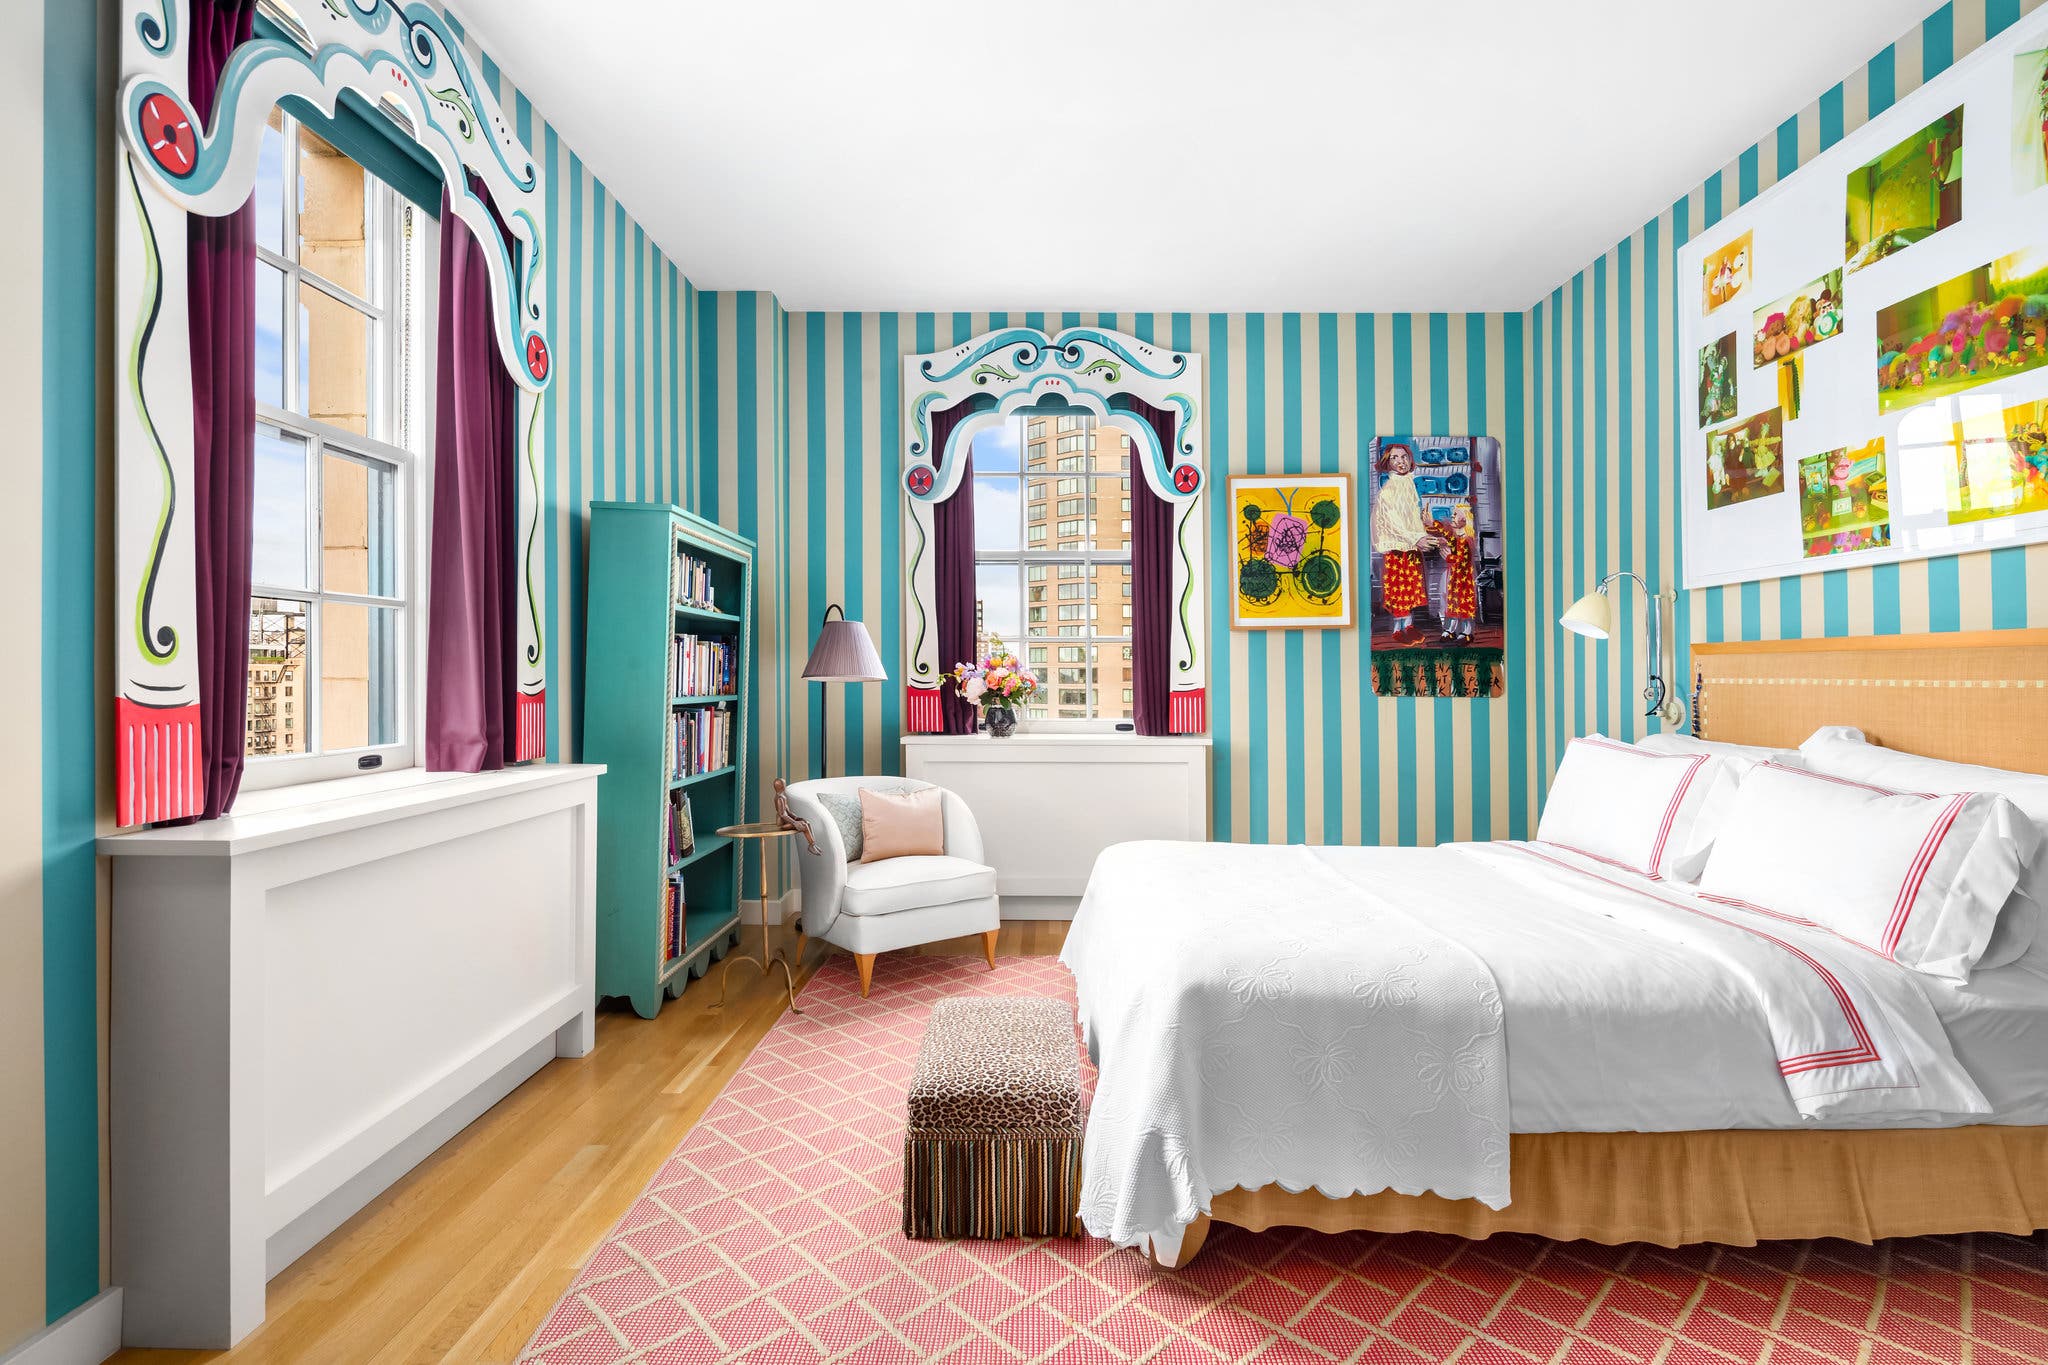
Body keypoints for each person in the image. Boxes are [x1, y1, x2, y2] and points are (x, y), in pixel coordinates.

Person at [1371, 443, 1441, 639]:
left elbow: (1410, 517)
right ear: (1387, 462)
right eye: (1394, 458)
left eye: (1404, 457)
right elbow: (1394, 522)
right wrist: (1416, 537)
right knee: (1399, 590)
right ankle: (1397, 630)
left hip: (1411, 545)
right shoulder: (1388, 490)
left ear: (1410, 460)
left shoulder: (1409, 483)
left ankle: (1409, 626)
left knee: (1410, 589)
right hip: (1396, 547)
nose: (1400, 461)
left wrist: (1424, 529)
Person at [1438, 502, 1478, 643]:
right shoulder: (1456, 538)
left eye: (1455, 515)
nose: (1452, 516)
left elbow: (1463, 560)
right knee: (1452, 603)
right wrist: (1433, 523)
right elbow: (1446, 534)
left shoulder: (1467, 540)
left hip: (1464, 580)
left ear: (1464, 520)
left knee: (1464, 605)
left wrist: (1449, 556)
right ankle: (1450, 630)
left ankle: (1466, 632)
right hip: (1454, 578)